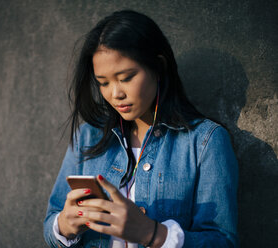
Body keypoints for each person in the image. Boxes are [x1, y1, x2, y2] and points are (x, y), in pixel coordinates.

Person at [43, 10, 238, 248]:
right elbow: (51, 223)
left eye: (126, 77)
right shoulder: (87, 136)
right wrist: (64, 225)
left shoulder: (205, 141)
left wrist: (153, 233)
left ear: (158, 67)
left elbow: (223, 242)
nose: (115, 94)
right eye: (103, 83)